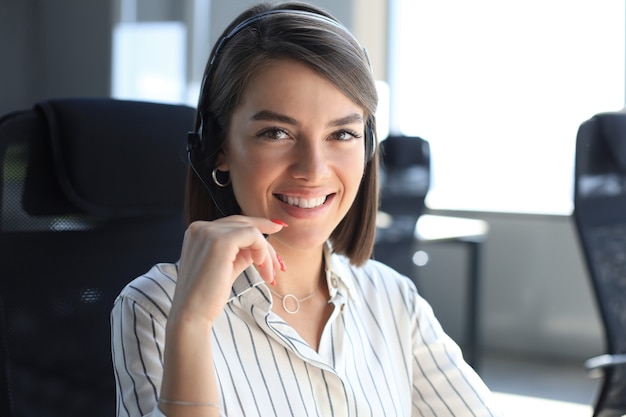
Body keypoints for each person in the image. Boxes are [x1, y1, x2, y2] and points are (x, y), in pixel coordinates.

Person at [111, 2, 504, 416]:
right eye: (276, 132)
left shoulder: (392, 298)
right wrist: (190, 327)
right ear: (218, 147)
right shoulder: (156, 307)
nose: (313, 169)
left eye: (342, 133)